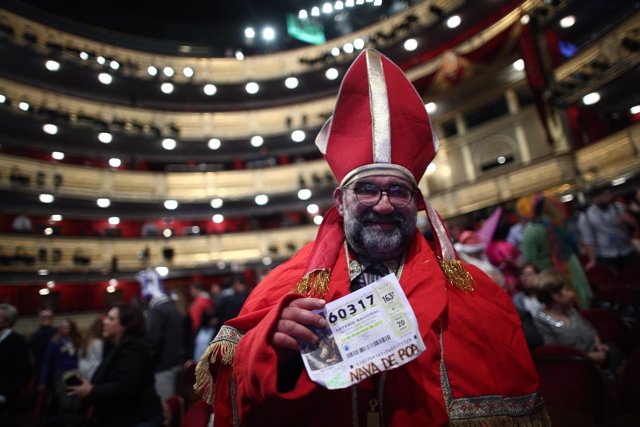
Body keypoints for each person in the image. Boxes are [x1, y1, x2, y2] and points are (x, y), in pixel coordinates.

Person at [195, 49, 548, 426]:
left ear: (418, 204)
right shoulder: (285, 287)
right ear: (340, 202)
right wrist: (275, 347)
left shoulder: (474, 291)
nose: (383, 205)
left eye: (398, 192)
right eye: (366, 189)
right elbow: (236, 385)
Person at [68, 302, 163, 427]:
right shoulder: (119, 346)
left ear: (125, 325)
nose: (104, 322)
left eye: (111, 318)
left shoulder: (132, 348)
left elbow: (125, 388)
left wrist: (91, 390)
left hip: (136, 420)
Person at [520, 194, 592, 309]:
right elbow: (575, 246)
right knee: (581, 300)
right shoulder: (558, 224)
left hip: (551, 277)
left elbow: (530, 262)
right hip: (571, 266)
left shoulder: (531, 232)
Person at [533, 270, 613, 367]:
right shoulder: (541, 322)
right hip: (576, 369)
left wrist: (598, 345)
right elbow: (556, 356)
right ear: (555, 296)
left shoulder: (570, 310)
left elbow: (591, 331)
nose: (572, 294)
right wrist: (589, 357)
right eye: (567, 290)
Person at [138, 268, 186, 400]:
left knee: (167, 410)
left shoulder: (157, 310)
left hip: (164, 369)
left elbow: (153, 341)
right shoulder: (173, 307)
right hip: (176, 364)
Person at [577, 186, 638, 273]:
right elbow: (589, 241)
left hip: (627, 250)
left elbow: (634, 226)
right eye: (605, 195)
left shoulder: (619, 207)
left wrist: (627, 221)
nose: (609, 198)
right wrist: (593, 260)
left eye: (609, 195)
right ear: (595, 198)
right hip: (606, 256)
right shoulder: (585, 217)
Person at [39, 318, 82, 418]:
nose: (65, 330)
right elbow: (47, 361)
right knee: (65, 403)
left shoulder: (77, 340)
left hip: (76, 374)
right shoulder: (55, 341)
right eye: (63, 328)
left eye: (67, 328)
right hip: (60, 375)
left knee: (77, 403)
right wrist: (42, 381)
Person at [0, 304, 33, 427]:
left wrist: (6, 396)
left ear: (7, 322)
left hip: (5, 400)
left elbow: (25, 373)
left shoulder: (17, 341)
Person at [29, 309, 57, 379]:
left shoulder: (58, 333)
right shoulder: (34, 336)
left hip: (55, 369)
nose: (46, 319)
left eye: (48, 317)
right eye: (44, 317)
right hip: (42, 368)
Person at [78, 317, 104, 382]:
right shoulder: (98, 342)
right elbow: (101, 359)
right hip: (93, 372)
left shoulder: (86, 339)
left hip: (83, 371)